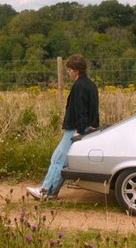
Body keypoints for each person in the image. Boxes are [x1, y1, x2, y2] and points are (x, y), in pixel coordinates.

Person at [27, 54, 99, 200]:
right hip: (88, 127)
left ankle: (45, 190)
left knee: (58, 159)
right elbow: (94, 108)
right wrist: (93, 125)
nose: (68, 73)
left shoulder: (78, 86)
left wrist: (79, 130)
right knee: (64, 161)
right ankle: (52, 192)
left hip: (75, 129)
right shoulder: (91, 85)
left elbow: (80, 109)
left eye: (70, 70)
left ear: (76, 70)